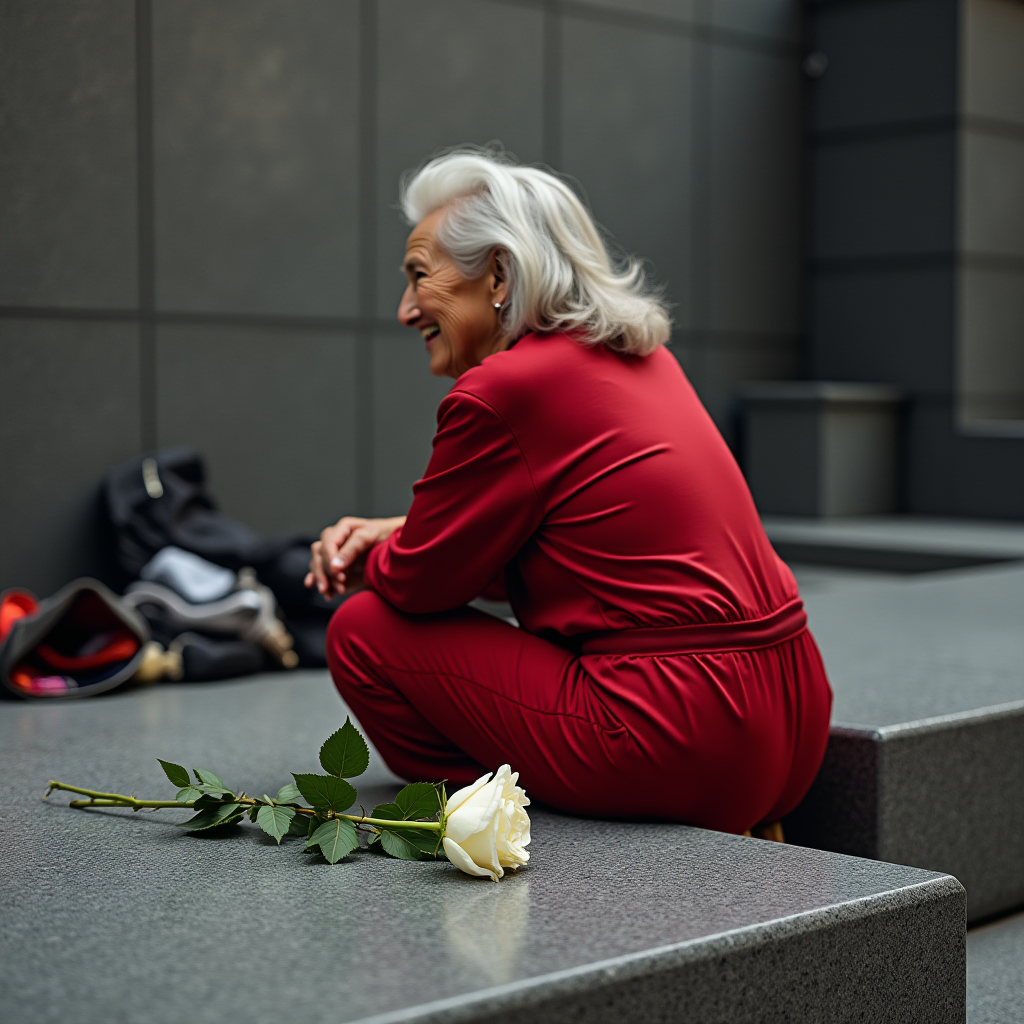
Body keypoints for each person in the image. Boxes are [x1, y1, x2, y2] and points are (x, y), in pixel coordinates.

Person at [305, 149, 832, 834]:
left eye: (418, 276)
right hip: (794, 713)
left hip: (679, 732)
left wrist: (367, 558)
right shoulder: (642, 357)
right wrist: (402, 533)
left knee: (362, 630)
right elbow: (580, 545)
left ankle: (506, 815)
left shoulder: (502, 389)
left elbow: (419, 585)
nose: (406, 310)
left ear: (497, 273)